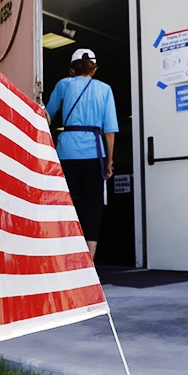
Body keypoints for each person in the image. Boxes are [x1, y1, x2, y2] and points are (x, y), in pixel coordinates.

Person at [46, 48, 118, 260]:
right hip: (94, 153)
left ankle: (63, 255)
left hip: (67, 151)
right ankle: (88, 263)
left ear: (72, 69)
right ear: (94, 69)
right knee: (92, 207)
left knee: (66, 203)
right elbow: (110, 132)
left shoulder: (63, 85)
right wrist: (109, 162)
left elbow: (47, 115)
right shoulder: (105, 89)